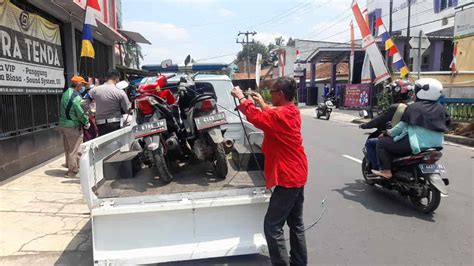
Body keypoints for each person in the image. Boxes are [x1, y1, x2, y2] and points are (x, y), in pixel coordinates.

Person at [231, 77, 308, 266]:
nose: (270, 94)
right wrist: (263, 103)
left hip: (287, 176)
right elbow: (273, 114)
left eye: (272, 92)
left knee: (272, 226)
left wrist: (242, 98)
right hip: (298, 172)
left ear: (280, 94)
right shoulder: (292, 110)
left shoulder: (278, 116)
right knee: (296, 223)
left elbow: (257, 118)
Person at [373, 78, 450, 179]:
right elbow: (447, 124)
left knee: (381, 143)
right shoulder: (441, 108)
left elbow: (400, 127)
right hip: (437, 145)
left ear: (422, 92)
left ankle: (386, 171)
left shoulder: (414, 107)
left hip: (416, 144)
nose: (414, 94)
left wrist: (387, 133)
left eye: (416, 91)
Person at [360, 80, 412, 171]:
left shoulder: (397, 107)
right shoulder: (416, 106)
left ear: (396, 92)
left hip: (400, 138)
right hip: (416, 139)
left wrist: (365, 125)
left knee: (372, 142)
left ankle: (378, 168)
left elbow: (379, 120)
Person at [59, 75, 90, 178]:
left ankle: (70, 165)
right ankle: (72, 171)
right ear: (78, 84)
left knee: (68, 148)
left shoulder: (65, 93)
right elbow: (80, 112)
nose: (83, 87)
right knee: (75, 149)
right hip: (73, 125)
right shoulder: (76, 96)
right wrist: (86, 122)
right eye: (82, 85)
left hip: (64, 125)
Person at [89, 69, 131, 136]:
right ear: (117, 78)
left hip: (100, 124)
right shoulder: (120, 91)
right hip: (115, 124)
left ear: (106, 78)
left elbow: (83, 103)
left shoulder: (94, 90)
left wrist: (91, 113)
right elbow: (127, 109)